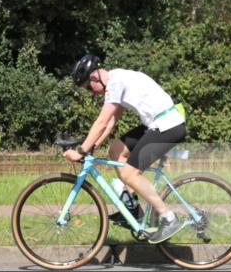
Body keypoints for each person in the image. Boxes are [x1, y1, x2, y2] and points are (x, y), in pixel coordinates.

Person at [64, 54, 186, 243]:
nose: (91, 92)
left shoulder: (115, 82)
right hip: (156, 124)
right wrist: (93, 146)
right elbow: (111, 121)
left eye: (89, 87)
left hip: (168, 125)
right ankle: (131, 206)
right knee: (115, 150)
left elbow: (102, 121)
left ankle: (169, 218)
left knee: (130, 174)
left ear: (94, 77)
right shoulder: (117, 80)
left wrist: (81, 151)